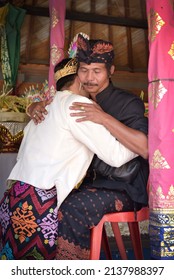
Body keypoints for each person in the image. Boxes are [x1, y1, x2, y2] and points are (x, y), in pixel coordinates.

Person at [0, 57, 138, 260]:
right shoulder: (78, 105)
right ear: (80, 81)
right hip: (38, 206)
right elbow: (116, 156)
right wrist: (145, 141)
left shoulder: (45, 107)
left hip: (12, 200)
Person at [28, 34, 149, 260]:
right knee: (45, 204)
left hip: (124, 187)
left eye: (97, 71)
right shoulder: (77, 101)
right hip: (89, 183)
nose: (89, 77)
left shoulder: (127, 102)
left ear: (110, 70)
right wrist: (34, 107)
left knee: (71, 209)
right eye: (84, 70)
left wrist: (104, 118)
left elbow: (145, 147)